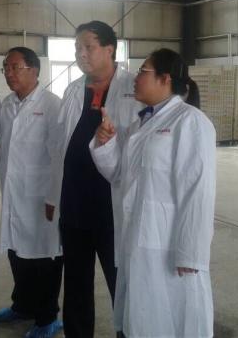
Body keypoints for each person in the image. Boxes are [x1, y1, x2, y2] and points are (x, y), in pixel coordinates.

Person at [90, 48, 216, 338]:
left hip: (170, 246)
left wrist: (191, 252)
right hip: (139, 239)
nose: (135, 78)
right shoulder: (141, 123)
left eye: (143, 71)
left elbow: (198, 191)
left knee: (171, 319)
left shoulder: (190, 122)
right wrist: (106, 144)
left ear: (165, 78)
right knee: (143, 319)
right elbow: (118, 175)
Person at [54, 21, 141, 338]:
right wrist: (53, 197)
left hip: (113, 207)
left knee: (123, 282)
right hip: (74, 204)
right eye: (77, 48)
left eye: (88, 47)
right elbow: (60, 148)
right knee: (76, 283)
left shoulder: (135, 89)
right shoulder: (73, 89)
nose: (81, 54)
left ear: (110, 49)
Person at [0, 47, 64, 338]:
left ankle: (48, 318)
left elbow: (59, 157)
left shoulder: (52, 105)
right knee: (16, 251)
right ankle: (22, 306)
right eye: (6, 68)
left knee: (45, 257)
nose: (9, 73)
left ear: (34, 70)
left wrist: (54, 197)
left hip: (42, 197)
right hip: (14, 193)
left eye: (15, 67)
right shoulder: (7, 105)